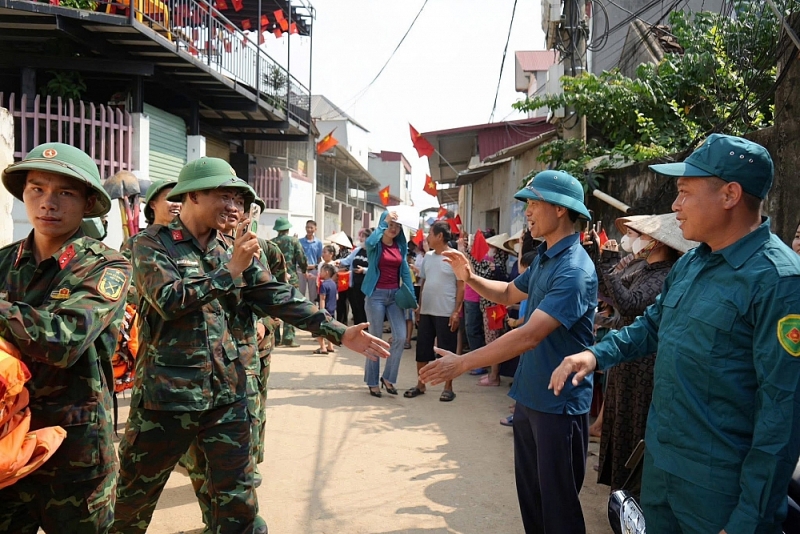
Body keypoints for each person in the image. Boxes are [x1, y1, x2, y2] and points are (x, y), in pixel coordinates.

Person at [113, 157, 390, 534]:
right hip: (165, 398)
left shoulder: (234, 246)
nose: (233, 206)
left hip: (227, 395)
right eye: (222, 196)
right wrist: (229, 272)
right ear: (191, 196)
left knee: (238, 506)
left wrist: (337, 331)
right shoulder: (148, 245)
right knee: (131, 504)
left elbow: (276, 294)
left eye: (238, 200)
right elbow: (169, 299)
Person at [549, 134, 800, 534]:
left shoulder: (779, 282)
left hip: (721, 492)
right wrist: (596, 355)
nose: (675, 205)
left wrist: (748, 521)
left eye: (684, 192)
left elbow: (782, 417)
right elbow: (652, 325)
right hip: (663, 470)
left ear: (730, 194)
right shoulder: (692, 263)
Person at [419, 169, 597, 534]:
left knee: (558, 510)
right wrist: (470, 277)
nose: (527, 212)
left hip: (559, 404)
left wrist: (463, 361)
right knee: (532, 502)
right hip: (531, 395)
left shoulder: (575, 269)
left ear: (561, 209)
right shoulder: (547, 258)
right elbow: (505, 293)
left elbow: (528, 336)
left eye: (533, 203)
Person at [0, 142, 131, 533]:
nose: (48, 203)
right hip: (9, 444)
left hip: (76, 454)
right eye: (36, 189)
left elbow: (65, 340)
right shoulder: (4, 262)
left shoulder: (107, 266)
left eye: (65, 193)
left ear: (88, 202)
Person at [593, 213, 695, 496]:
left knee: (634, 427)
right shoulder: (642, 268)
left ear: (658, 243)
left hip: (644, 365)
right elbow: (610, 291)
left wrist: (608, 263)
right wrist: (599, 260)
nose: (633, 240)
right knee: (620, 424)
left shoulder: (664, 275)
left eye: (641, 235)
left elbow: (629, 304)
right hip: (627, 359)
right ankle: (619, 494)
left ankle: (631, 497)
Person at [404, 221, 464, 401]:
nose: (427, 237)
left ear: (440, 236)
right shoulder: (428, 257)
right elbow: (424, 283)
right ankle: (421, 384)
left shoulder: (455, 257)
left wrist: (456, 311)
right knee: (422, 349)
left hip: (446, 311)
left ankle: (448, 387)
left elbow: (461, 285)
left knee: (446, 351)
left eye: (430, 234)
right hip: (427, 310)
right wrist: (420, 306)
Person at [361, 210, 415, 398]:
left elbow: (405, 272)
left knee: (400, 336)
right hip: (375, 295)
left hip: (395, 297)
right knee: (376, 338)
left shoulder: (400, 246)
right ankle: (372, 381)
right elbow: (368, 242)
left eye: (397, 225)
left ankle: (389, 378)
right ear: (383, 224)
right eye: (391, 224)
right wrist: (385, 221)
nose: (393, 229)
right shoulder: (375, 245)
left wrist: (412, 297)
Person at [271, 216, 308, 347]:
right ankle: (288, 338)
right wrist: (304, 270)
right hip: (291, 278)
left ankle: (275, 338)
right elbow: (301, 258)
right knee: (291, 307)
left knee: (275, 308)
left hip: (275, 279)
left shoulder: (271, 243)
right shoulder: (294, 241)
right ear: (287, 228)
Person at [339, 227, 371, 325]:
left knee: (365, 309)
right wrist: (337, 262)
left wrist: (364, 270)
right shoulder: (357, 250)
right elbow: (347, 260)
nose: (360, 239)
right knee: (356, 309)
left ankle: (366, 330)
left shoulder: (373, 251)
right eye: (360, 236)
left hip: (366, 286)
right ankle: (358, 331)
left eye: (363, 237)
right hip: (355, 285)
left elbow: (376, 268)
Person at [315, 264, 338, 354]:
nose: (320, 273)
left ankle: (322, 347)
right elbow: (336, 297)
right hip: (332, 310)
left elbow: (322, 299)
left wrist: (321, 311)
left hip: (325, 310)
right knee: (331, 329)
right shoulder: (333, 284)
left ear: (327, 272)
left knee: (317, 329)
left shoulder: (324, 285)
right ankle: (330, 346)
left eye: (321, 271)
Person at [298, 220, 323, 302]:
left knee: (313, 294)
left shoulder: (318, 243)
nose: (309, 229)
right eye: (307, 227)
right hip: (301, 270)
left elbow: (319, 258)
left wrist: (319, 271)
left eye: (311, 227)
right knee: (300, 293)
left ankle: (312, 311)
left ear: (315, 229)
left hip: (313, 270)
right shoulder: (299, 241)